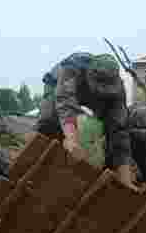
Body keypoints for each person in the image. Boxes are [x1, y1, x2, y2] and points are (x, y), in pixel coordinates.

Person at [36, 52, 135, 189]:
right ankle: (38, 156)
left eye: (105, 88)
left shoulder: (117, 90)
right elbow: (65, 104)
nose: (101, 90)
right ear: (89, 74)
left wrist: (125, 179)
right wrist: (71, 139)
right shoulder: (73, 68)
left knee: (108, 130)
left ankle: (103, 172)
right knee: (49, 118)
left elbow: (120, 131)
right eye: (99, 85)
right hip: (57, 85)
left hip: (88, 94)